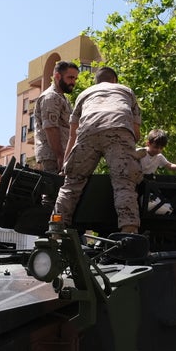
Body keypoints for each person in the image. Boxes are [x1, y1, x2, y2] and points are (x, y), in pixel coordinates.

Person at [52, 67, 144, 234]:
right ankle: (129, 232)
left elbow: (73, 135)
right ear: (114, 81)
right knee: (124, 183)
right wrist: (128, 150)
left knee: (72, 183)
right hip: (119, 128)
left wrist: (66, 166)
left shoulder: (84, 94)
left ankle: (56, 230)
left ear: (96, 82)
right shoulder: (125, 91)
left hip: (88, 131)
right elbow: (136, 132)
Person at [32, 61, 79, 174]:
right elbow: (51, 128)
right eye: (70, 78)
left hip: (62, 155)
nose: (73, 82)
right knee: (55, 185)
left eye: (75, 78)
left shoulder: (61, 98)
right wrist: (60, 156)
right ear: (57, 76)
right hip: (53, 157)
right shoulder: (51, 97)